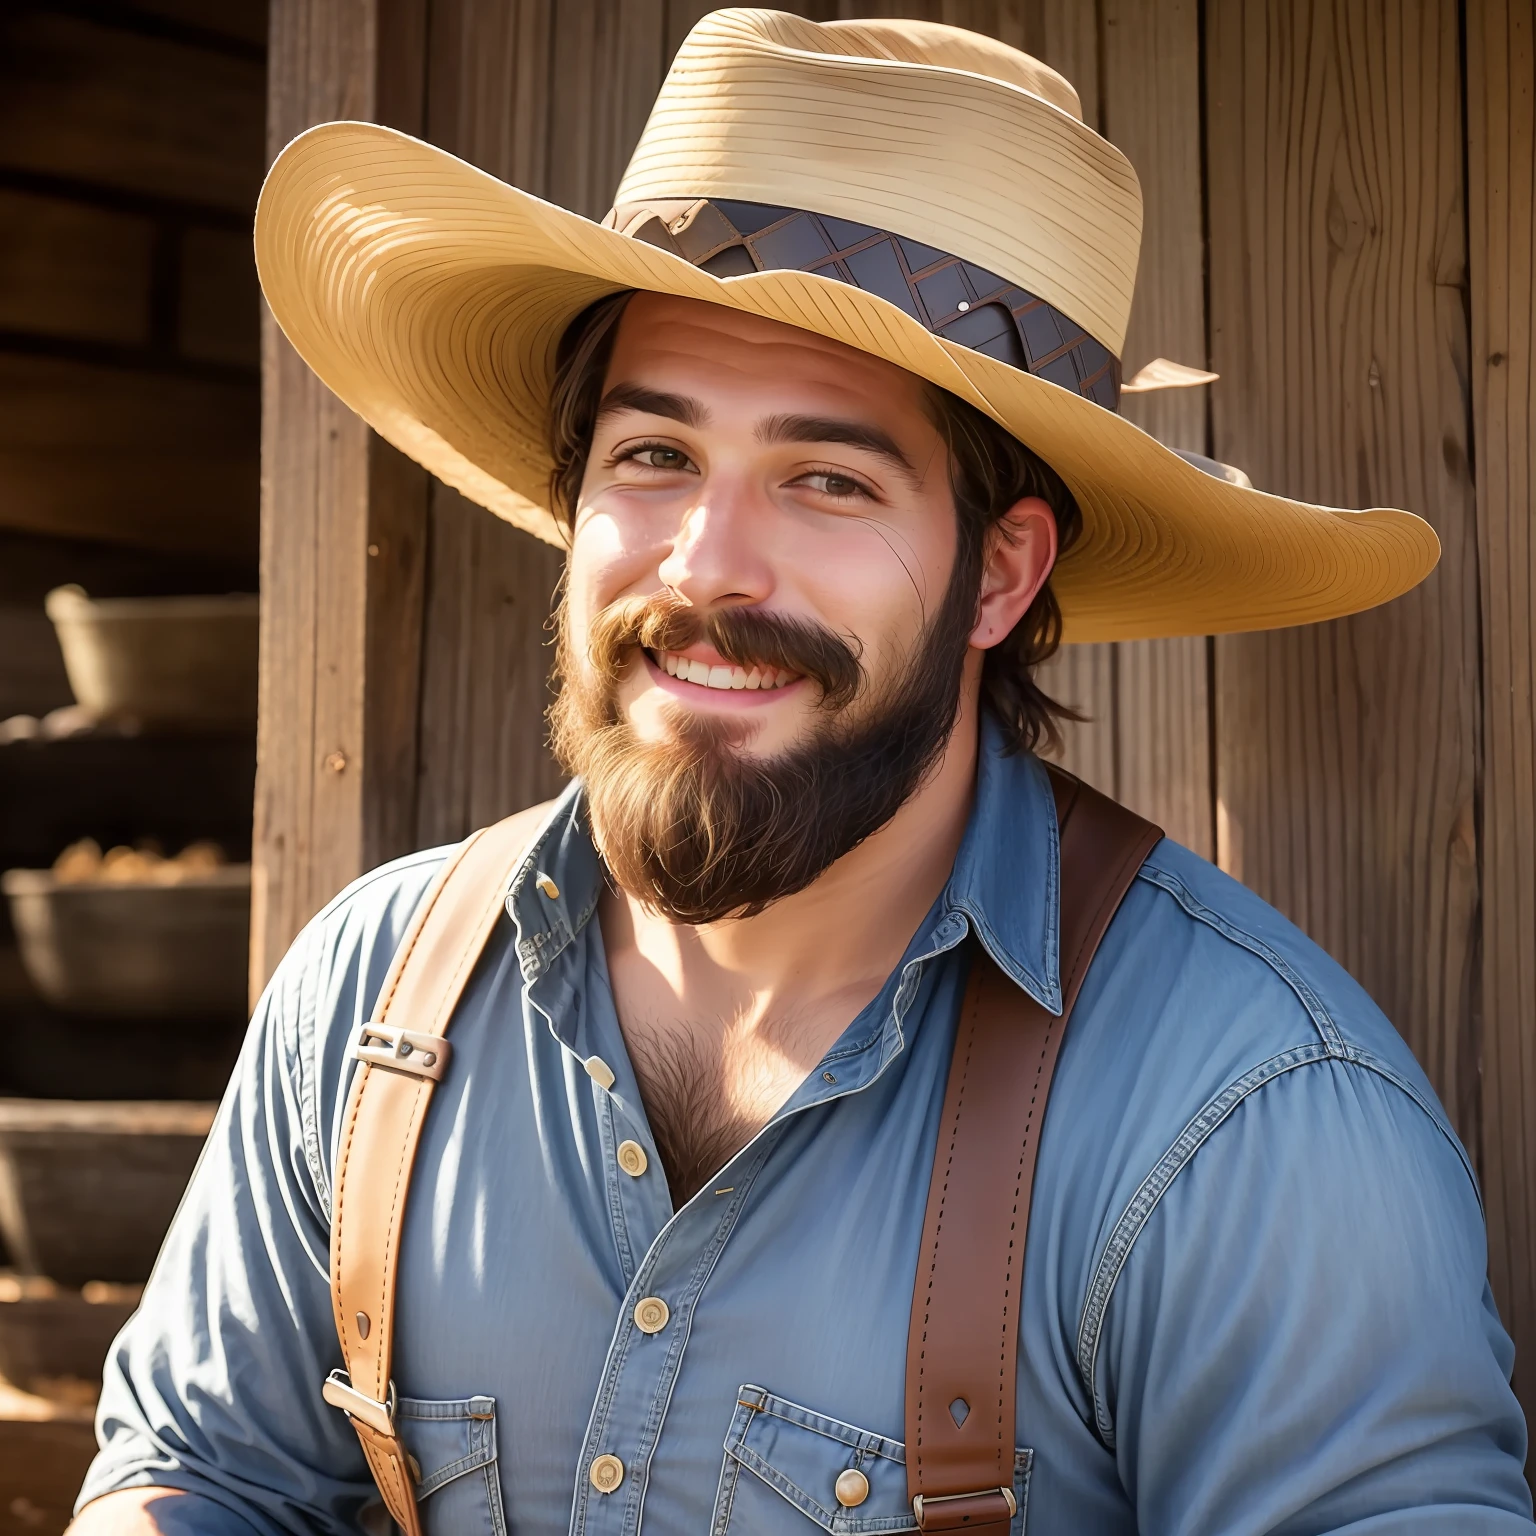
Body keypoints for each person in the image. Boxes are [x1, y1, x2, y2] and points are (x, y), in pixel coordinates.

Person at [73, 11, 1531, 1534]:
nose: (708, 568)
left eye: (827, 480)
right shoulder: (372, 1001)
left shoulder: (1250, 1124)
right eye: (653, 457)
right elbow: (198, 1471)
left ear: (999, 577)